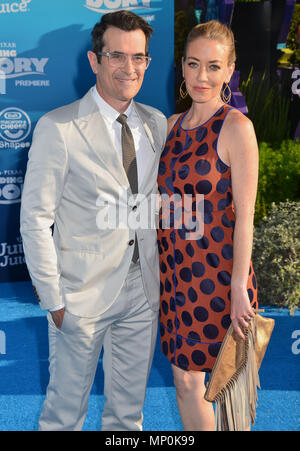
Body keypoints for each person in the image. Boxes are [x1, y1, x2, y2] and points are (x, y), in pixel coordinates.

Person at [20, 10, 167, 431]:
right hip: (80, 296)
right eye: (117, 56)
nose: (129, 67)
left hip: (142, 291)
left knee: (127, 417)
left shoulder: (156, 123)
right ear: (94, 60)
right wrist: (55, 300)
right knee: (64, 417)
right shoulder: (59, 127)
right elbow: (35, 219)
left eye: (139, 57)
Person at [157, 20, 259, 431]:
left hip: (220, 278)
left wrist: (238, 286)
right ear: (181, 67)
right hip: (177, 278)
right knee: (185, 381)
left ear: (230, 70)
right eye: (194, 64)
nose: (202, 77)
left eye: (214, 66)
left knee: (230, 390)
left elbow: (246, 214)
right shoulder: (168, 127)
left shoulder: (237, 128)